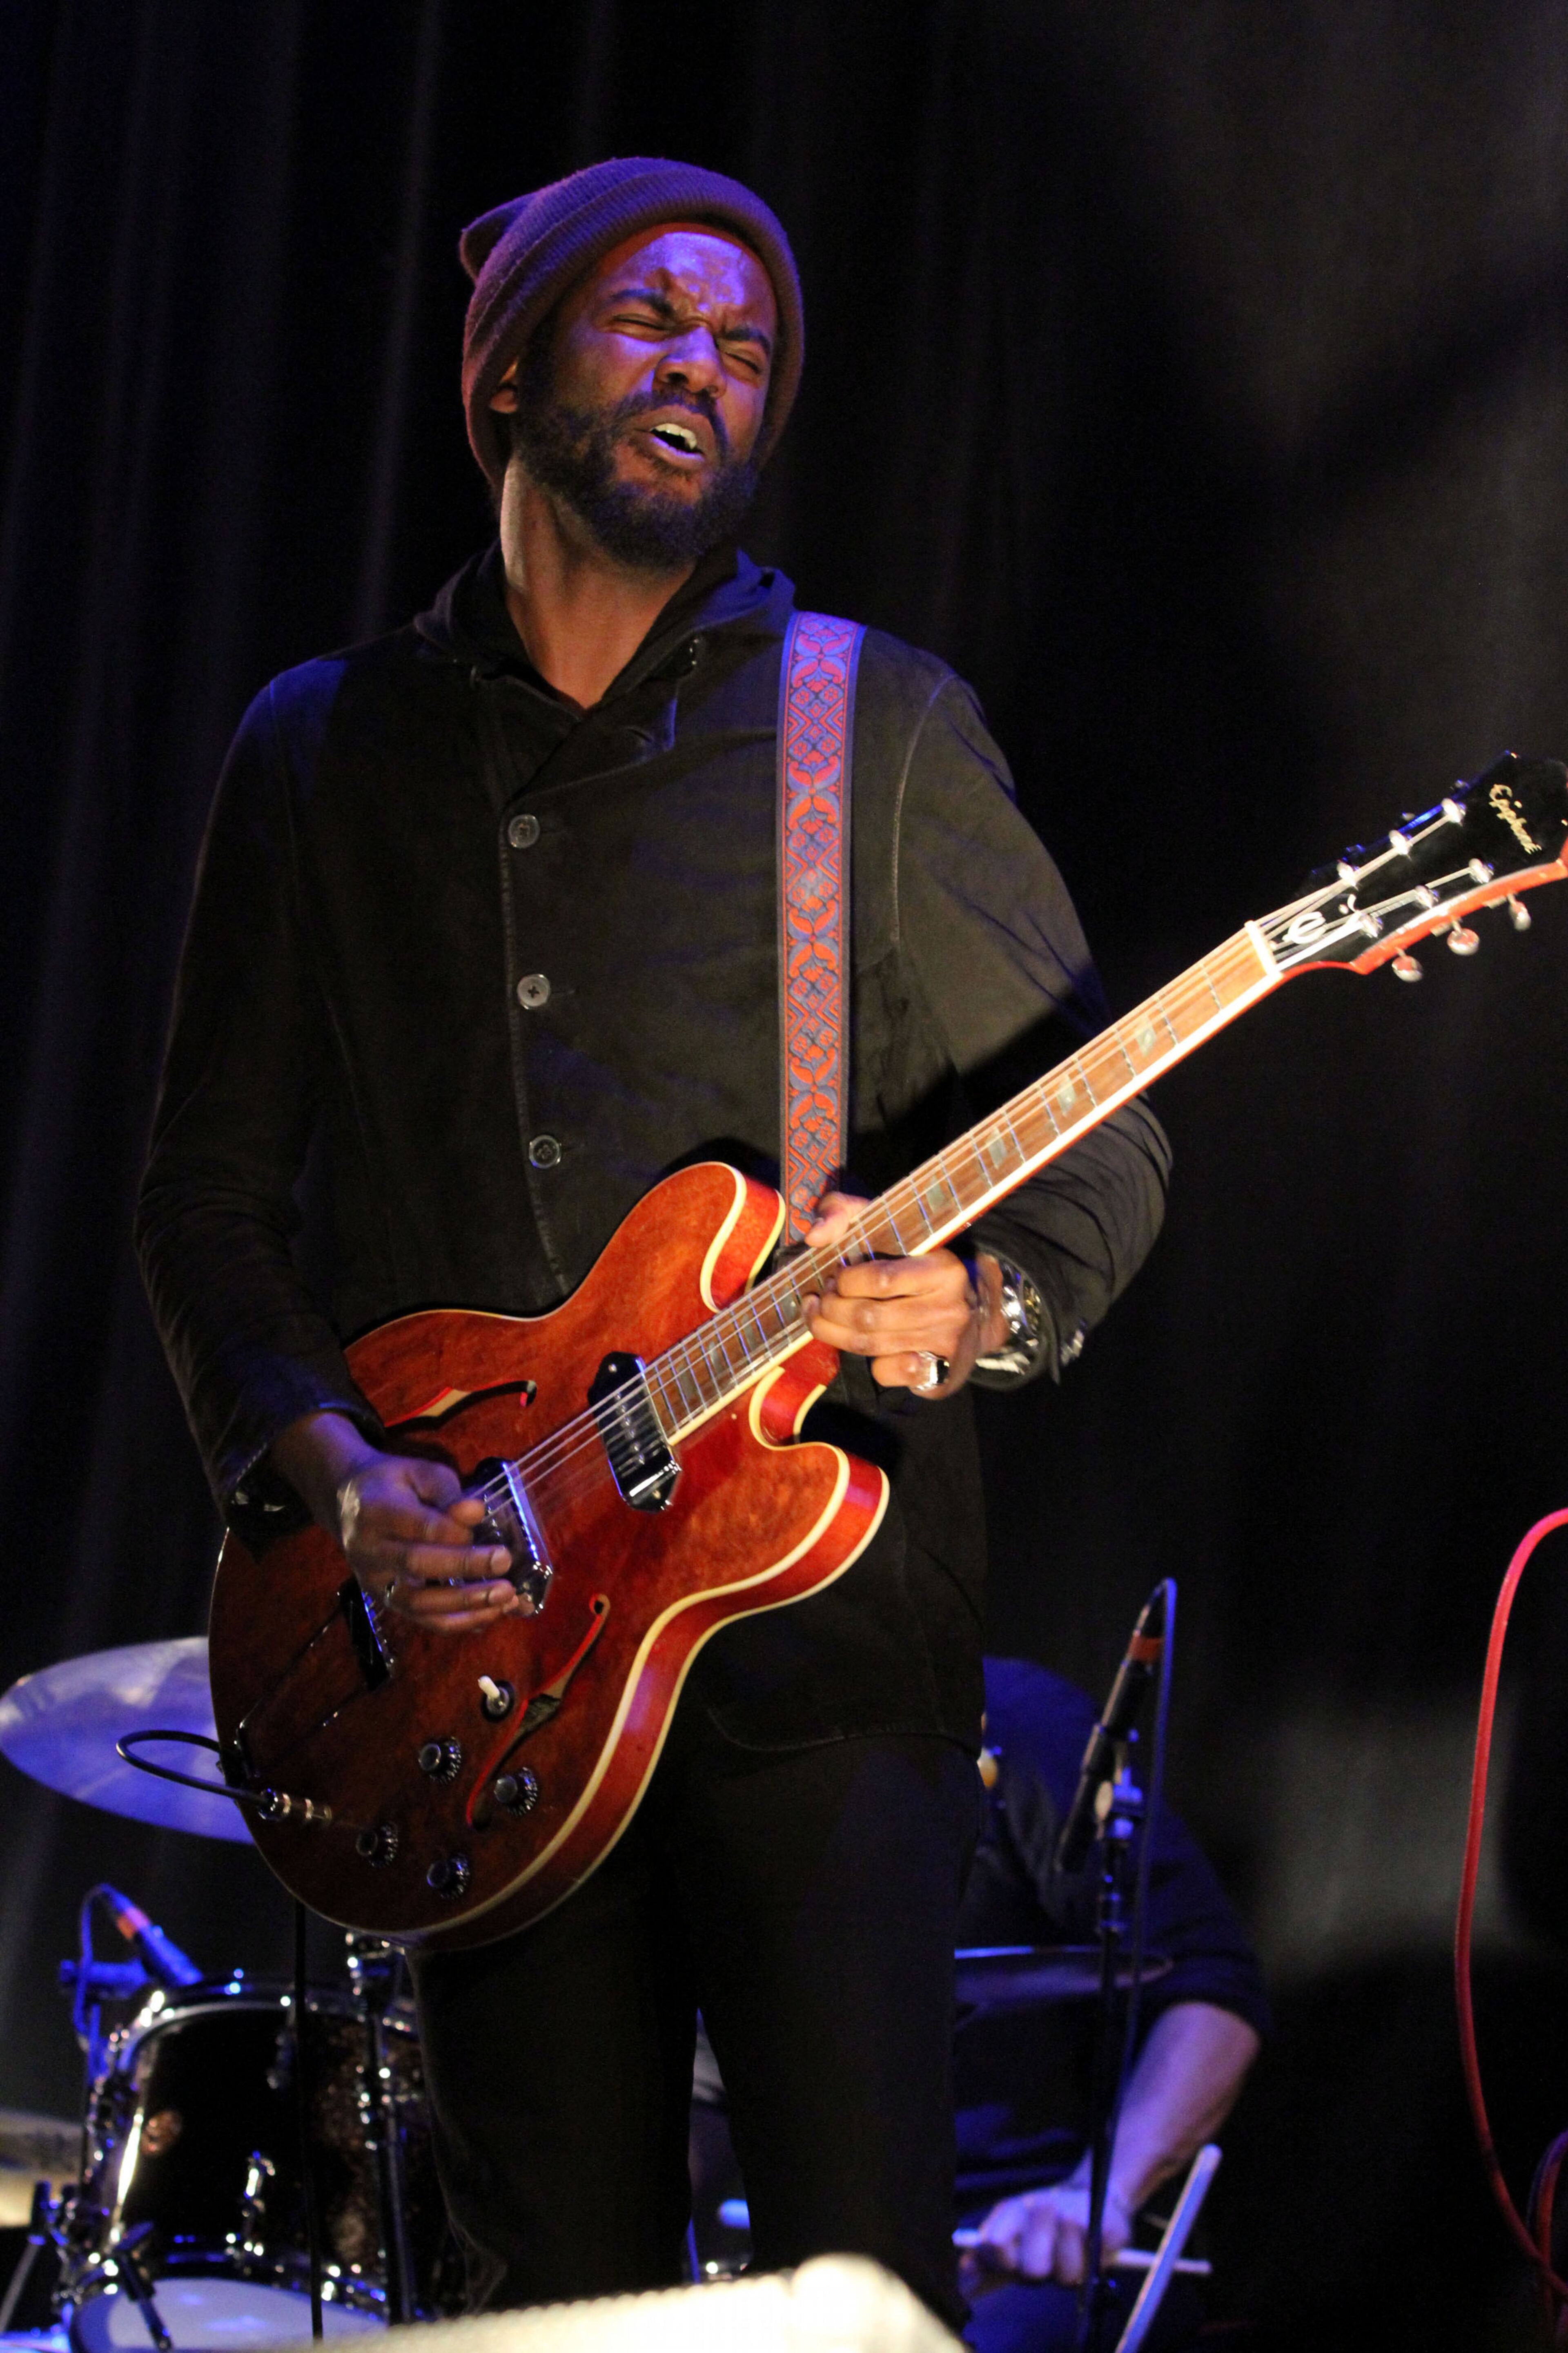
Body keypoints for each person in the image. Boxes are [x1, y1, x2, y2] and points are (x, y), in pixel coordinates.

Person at [135, 158, 1170, 2327]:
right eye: (656, 317)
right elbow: (209, 1201)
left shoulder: (865, 726)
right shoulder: (322, 754)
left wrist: (979, 1301)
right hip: (479, 1678)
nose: (711, 361)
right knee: (542, 2301)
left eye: (750, 343)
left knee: (856, 2288)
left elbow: (1100, 1138)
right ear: (503, 370)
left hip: (813, 1654)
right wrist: (348, 1481)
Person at [956, 1657, 1267, 2352]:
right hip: (813, 2251)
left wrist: (1101, 2193)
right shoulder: (701, 1771)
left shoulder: (1010, 1727)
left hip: (1029, 2241)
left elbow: (1209, 1987)